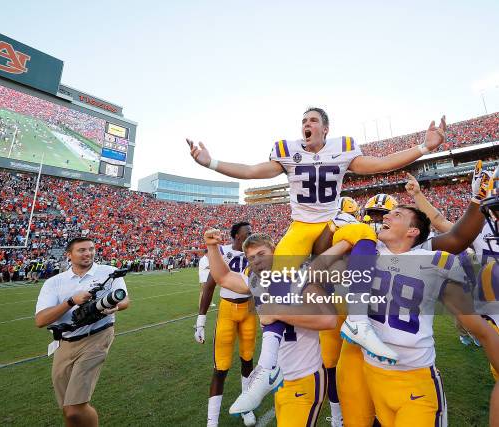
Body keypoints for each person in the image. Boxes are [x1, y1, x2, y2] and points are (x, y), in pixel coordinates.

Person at [188, 107, 447, 367]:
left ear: (325, 129)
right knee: (273, 281)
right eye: (303, 121)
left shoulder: (342, 148)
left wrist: (423, 147)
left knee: (364, 232)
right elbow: (251, 171)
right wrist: (211, 163)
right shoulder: (288, 151)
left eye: (312, 120)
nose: (306, 124)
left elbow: (381, 163)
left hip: (331, 223)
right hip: (300, 226)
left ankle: (357, 322)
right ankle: (267, 366)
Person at [327, 205, 499, 426]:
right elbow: (318, 268)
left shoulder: (435, 262)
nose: (387, 216)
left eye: (397, 214)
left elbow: (479, 328)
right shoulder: (367, 254)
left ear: (413, 231)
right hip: (374, 377)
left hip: (416, 380)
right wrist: (344, 232)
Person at [203, 230, 337, 426]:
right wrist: (212, 247)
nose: (256, 261)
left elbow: (328, 319)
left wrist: (277, 312)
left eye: (262, 254)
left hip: (305, 376)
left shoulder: (300, 273)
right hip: (281, 379)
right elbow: (223, 277)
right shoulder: (257, 279)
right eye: (251, 258)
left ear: (275, 251)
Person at [35, 237, 129, 427]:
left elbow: (125, 300)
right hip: (65, 342)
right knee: (68, 410)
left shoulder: (109, 272)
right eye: (82, 250)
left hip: (98, 335)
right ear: (69, 255)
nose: (88, 253)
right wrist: (71, 301)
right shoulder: (54, 282)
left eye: (91, 249)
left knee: (75, 408)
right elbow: (41, 320)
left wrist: (115, 308)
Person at [195, 222, 256, 427]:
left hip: (248, 310)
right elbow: (210, 285)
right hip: (227, 311)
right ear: (237, 236)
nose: (252, 234)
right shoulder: (222, 252)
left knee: (248, 361)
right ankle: (212, 422)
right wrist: (200, 321)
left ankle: (246, 407)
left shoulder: (254, 252)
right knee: (221, 367)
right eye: (248, 232)